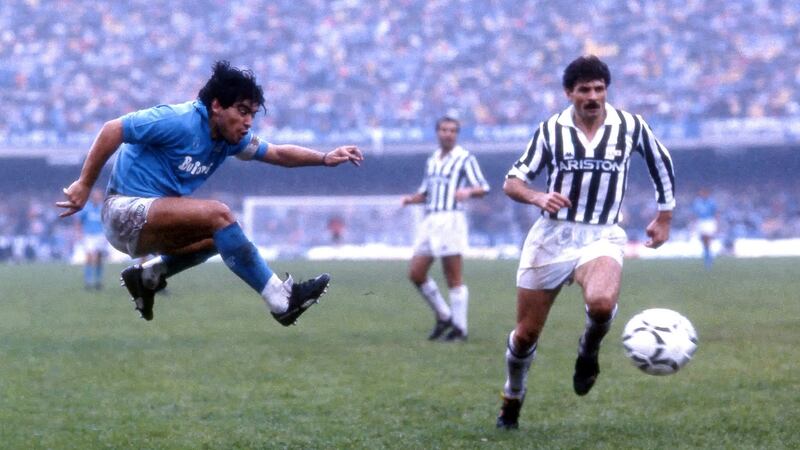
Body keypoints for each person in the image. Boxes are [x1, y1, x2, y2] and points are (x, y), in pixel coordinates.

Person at [57, 61, 363, 324]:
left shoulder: (230, 140)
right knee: (220, 214)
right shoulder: (178, 120)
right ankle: (281, 299)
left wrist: (324, 157)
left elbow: (278, 153)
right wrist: (84, 183)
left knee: (221, 236)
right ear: (216, 105)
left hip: (147, 222)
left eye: (252, 114)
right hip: (123, 211)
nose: (248, 122)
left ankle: (147, 276)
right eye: (242, 111)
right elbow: (113, 129)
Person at [495, 55, 675, 429]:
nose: (593, 96)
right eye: (584, 90)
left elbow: (661, 162)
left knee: (602, 303)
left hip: (602, 233)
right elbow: (512, 181)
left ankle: (588, 349)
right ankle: (512, 396)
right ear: (569, 93)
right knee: (525, 335)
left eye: (599, 89)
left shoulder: (630, 126)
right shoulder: (551, 131)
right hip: (552, 236)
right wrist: (538, 197)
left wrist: (664, 215)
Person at [402, 117, 490, 342]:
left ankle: (460, 329)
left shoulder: (465, 158)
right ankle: (444, 316)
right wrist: (411, 199)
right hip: (430, 219)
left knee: (453, 276)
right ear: (437, 132)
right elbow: (426, 192)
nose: (448, 134)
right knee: (416, 273)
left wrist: (468, 192)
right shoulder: (432, 159)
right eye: (444, 130)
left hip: (451, 219)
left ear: (457, 134)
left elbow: (483, 187)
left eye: (452, 130)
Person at [74, 189, 107, 290]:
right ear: (92, 197)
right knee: (89, 257)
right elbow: (78, 221)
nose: (98, 197)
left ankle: (98, 281)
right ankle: (88, 281)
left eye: (99, 195)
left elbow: (107, 222)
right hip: (89, 235)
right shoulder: (86, 208)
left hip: (100, 235)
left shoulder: (103, 208)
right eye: (96, 195)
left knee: (99, 258)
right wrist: (79, 233)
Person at [691, 188, 718, 269]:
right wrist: (693, 224)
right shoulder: (697, 202)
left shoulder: (711, 202)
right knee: (704, 241)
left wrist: (717, 223)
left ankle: (708, 259)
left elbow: (716, 213)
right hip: (700, 222)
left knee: (708, 239)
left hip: (709, 221)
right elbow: (694, 214)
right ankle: (707, 256)